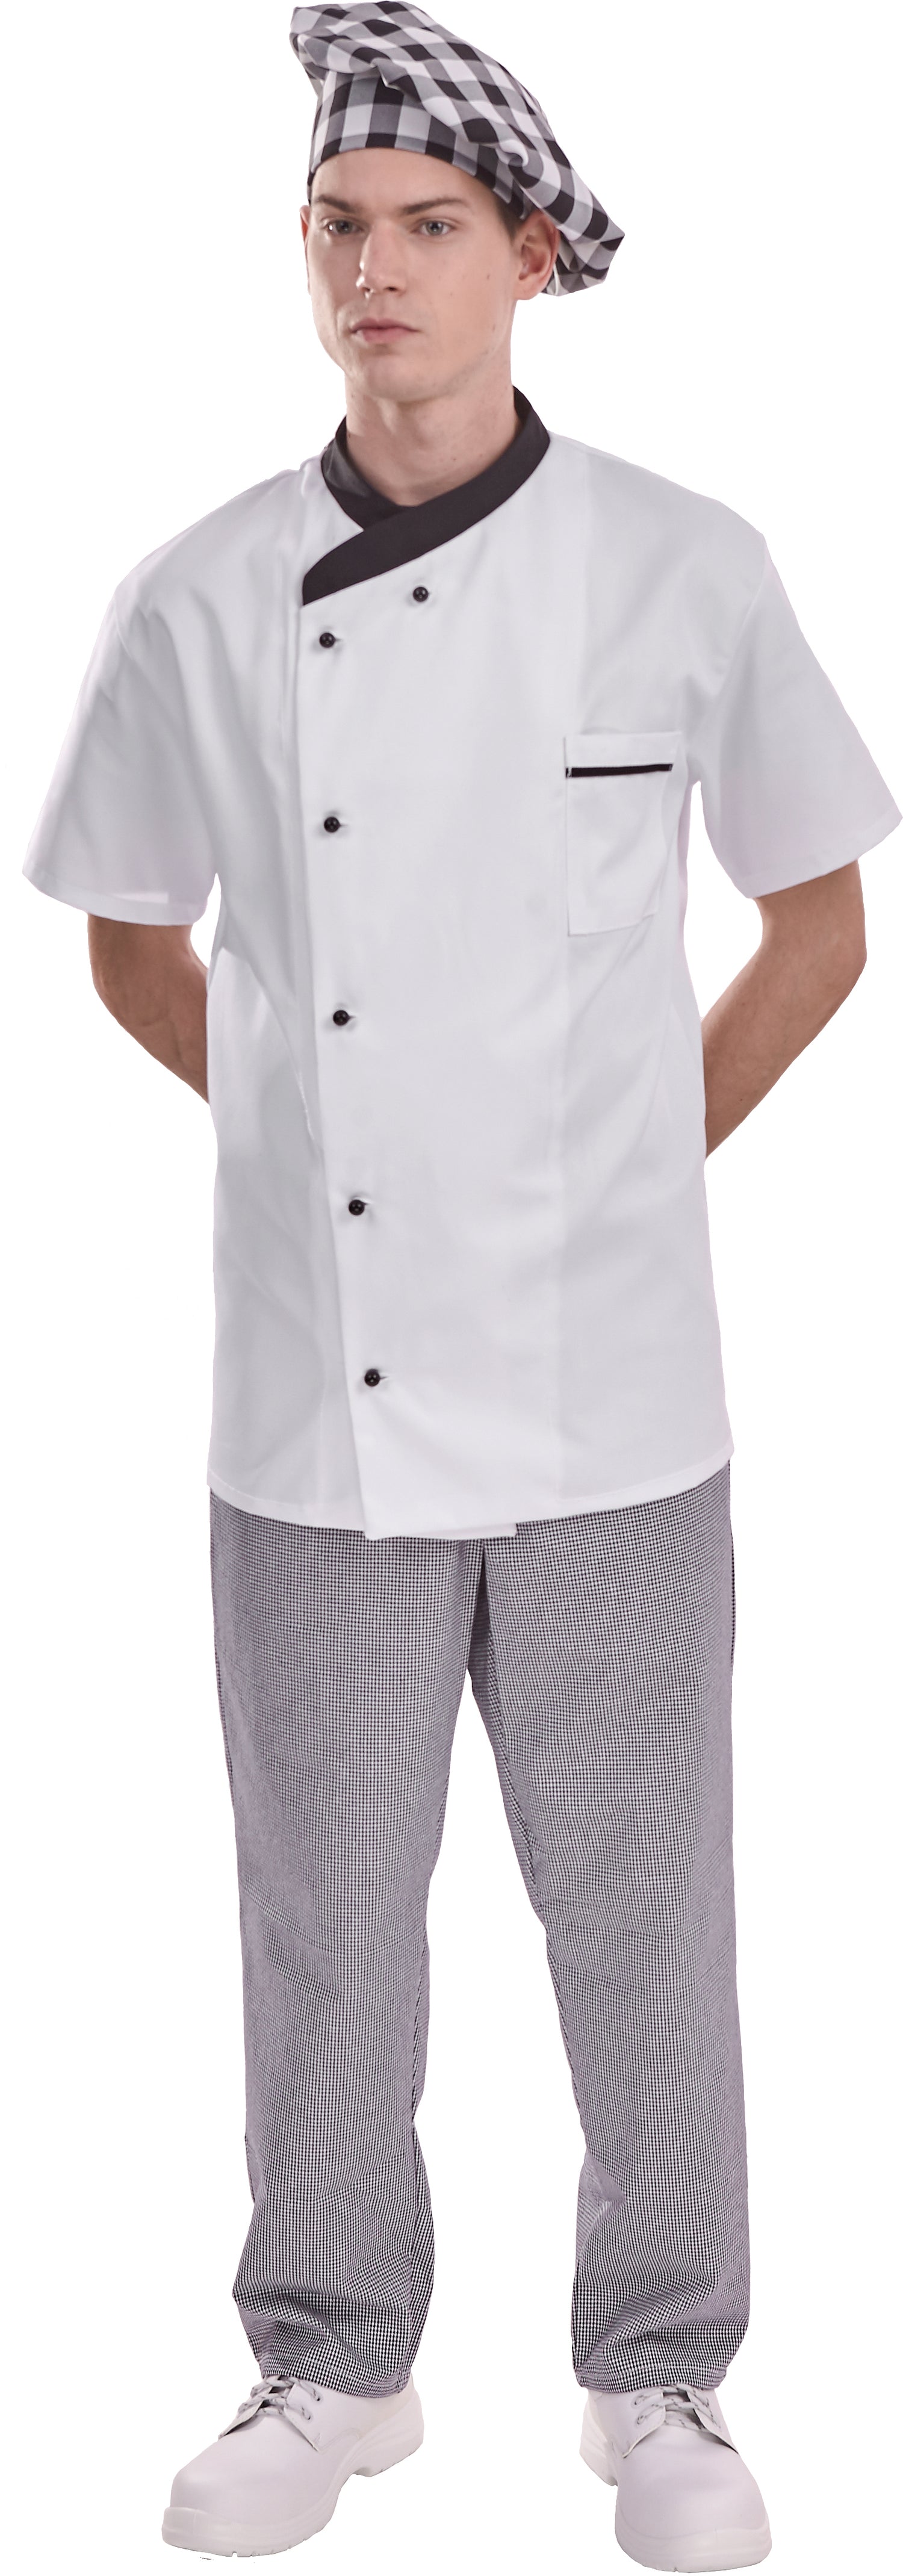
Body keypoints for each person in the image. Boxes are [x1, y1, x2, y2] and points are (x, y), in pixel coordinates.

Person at [22, 4, 900, 2567]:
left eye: (426, 226)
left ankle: (664, 2375)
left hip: (621, 1384)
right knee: (321, 1912)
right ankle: (331, 2362)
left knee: (646, 1902)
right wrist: (313, 1149)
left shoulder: (683, 564)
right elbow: (129, 939)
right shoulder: (197, 594)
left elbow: (819, 921)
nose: (374, 271)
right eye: (337, 226)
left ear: (528, 256)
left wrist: (632, 1159)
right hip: (318, 1396)